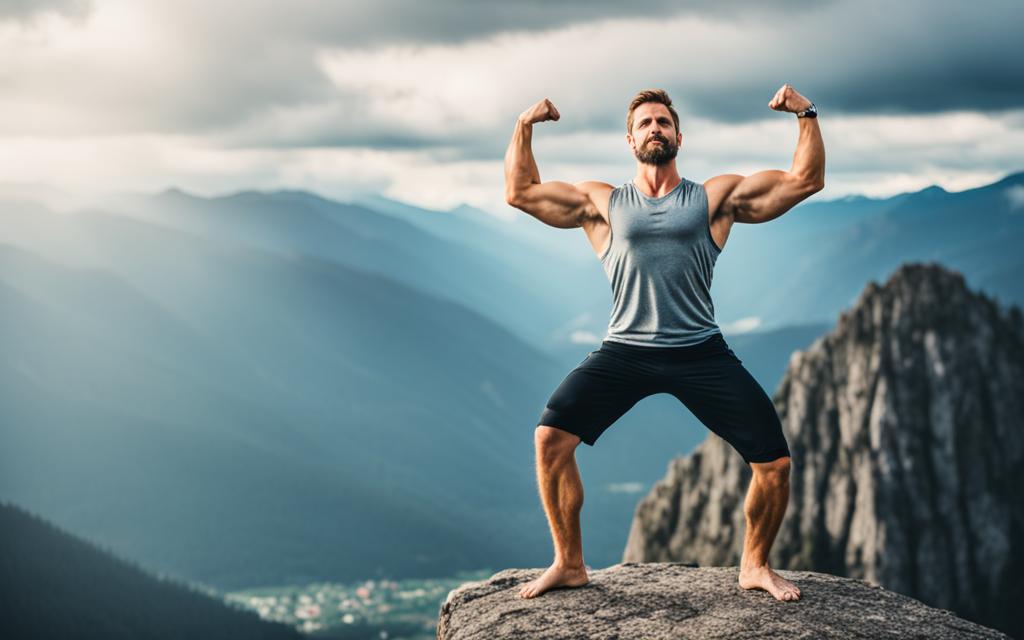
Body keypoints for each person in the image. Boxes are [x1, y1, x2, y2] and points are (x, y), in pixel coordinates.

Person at [504, 84, 825, 602]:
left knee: (775, 465)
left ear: (679, 135)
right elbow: (521, 192)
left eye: (663, 122)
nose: (655, 128)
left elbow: (805, 179)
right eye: (645, 124)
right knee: (550, 440)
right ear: (630, 141)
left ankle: (755, 564)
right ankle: (569, 563)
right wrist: (524, 125)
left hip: (700, 349)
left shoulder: (712, 198)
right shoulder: (603, 202)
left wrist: (805, 113)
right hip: (625, 350)